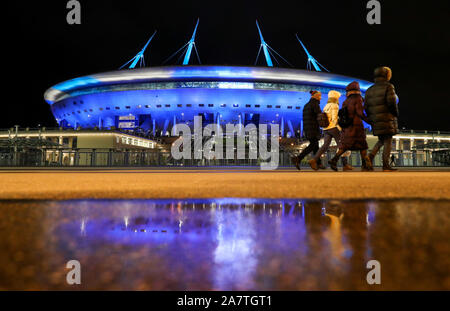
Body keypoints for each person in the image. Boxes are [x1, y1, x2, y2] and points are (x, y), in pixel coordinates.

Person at [328, 82, 373, 172]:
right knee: (362, 146)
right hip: (357, 126)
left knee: (345, 145)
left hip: (348, 126)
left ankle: (334, 159)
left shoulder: (346, 101)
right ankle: (365, 166)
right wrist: (369, 121)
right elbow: (360, 113)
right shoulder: (358, 99)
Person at [364, 66, 399, 172]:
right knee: (388, 140)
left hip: (375, 119)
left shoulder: (369, 90)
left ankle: (369, 157)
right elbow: (392, 103)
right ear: (386, 75)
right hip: (387, 117)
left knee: (381, 140)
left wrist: (372, 118)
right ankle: (385, 165)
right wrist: (395, 114)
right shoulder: (388, 86)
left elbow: (366, 107)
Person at [308, 90, 353, 171]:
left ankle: (314, 160)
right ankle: (343, 164)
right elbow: (334, 118)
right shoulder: (335, 105)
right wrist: (340, 128)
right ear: (335, 98)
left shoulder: (326, 105)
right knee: (343, 145)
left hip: (326, 129)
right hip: (333, 128)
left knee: (325, 146)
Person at [292, 90, 324, 170]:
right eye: (320, 96)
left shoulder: (306, 105)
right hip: (313, 128)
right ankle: (298, 158)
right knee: (313, 145)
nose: (321, 98)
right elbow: (319, 115)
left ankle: (318, 163)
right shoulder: (315, 104)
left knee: (315, 146)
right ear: (316, 96)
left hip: (307, 128)